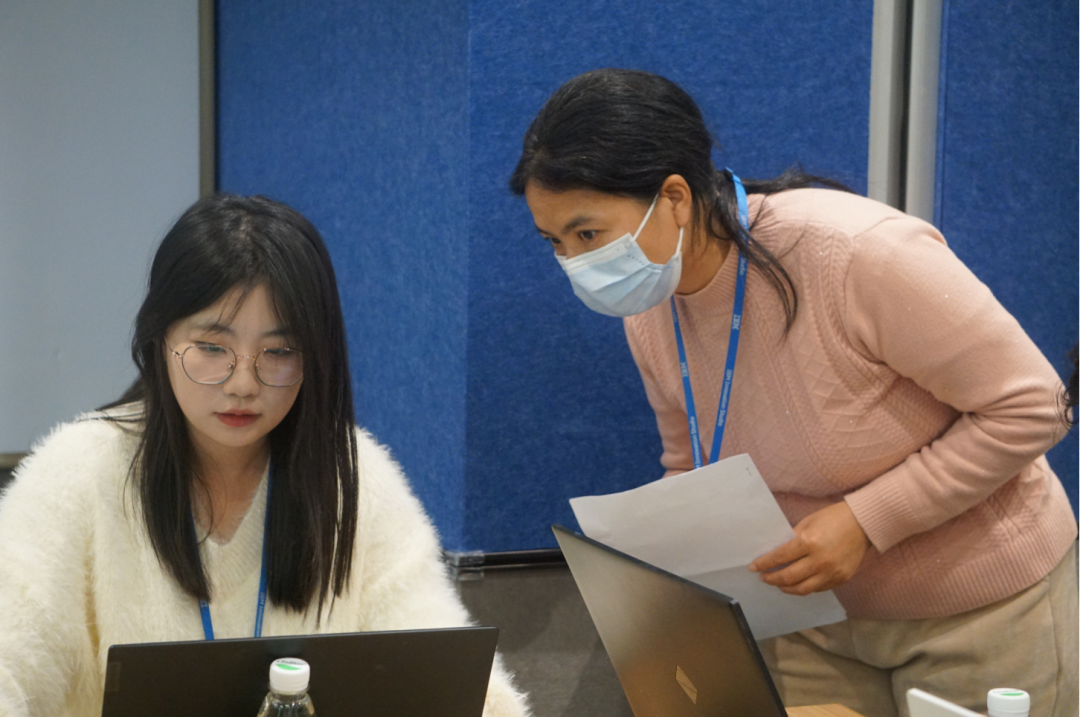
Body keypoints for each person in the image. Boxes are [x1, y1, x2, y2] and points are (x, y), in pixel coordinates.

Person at [510, 68, 1077, 717]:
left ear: (674, 197)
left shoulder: (856, 253)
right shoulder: (649, 301)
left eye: (588, 235)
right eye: (555, 243)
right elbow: (690, 460)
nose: (577, 265)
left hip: (976, 610)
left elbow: (1033, 405)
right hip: (806, 623)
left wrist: (866, 521)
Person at [0, 194, 530, 717]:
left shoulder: (352, 476)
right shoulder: (80, 470)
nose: (243, 384)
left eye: (278, 352)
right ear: (159, 341)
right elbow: (10, 657)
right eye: (212, 348)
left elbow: (446, 674)